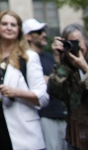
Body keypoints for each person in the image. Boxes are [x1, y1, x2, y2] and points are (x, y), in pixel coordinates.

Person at [0, 10, 48, 150]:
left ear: (19, 30)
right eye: (4, 24)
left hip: (21, 131)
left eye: (13, 25)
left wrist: (16, 92)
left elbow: (43, 97)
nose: (9, 28)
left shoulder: (29, 57)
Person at [23, 19, 66, 150]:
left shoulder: (49, 57)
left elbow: (61, 80)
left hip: (62, 113)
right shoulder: (24, 59)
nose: (44, 34)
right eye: (38, 32)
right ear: (28, 36)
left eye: (44, 31)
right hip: (44, 115)